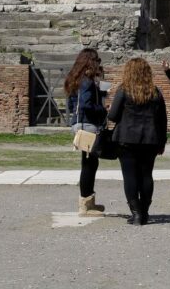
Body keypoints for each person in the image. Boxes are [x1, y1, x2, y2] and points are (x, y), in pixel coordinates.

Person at [107, 57, 168, 226]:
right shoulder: (155, 92)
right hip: (150, 139)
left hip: (126, 139)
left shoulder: (124, 90)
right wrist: (162, 141)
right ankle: (145, 212)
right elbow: (163, 119)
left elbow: (112, 116)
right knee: (146, 175)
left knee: (130, 177)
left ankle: (136, 214)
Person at [66, 48, 107, 217]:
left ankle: (89, 201)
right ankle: (85, 205)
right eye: (97, 60)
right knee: (89, 164)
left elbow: (71, 105)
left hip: (80, 123)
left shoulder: (76, 79)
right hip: (88, 125)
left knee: (89, 163)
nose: (98, 64)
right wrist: (103, 109)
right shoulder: (87, 81)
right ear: (90, 61)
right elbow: (86, 105)